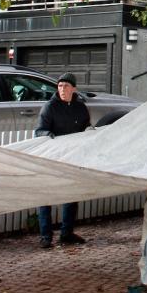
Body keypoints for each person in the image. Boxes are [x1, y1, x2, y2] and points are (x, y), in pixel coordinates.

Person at [34, 72, 90, 248]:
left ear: (74, 89)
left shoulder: (80, 108)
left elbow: (86, 127)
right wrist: (47, 134)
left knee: (71, 195)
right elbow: (38, 131)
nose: (62, 89)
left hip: (72, 157)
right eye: (59, 86)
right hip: (51, 158)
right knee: (45, 196)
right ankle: (45, 236)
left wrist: (90, 130)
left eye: (66, 86)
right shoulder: (49, 107)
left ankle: (67, 233)